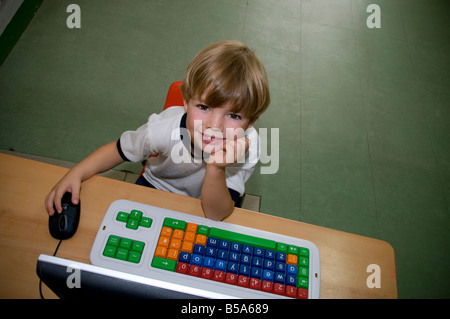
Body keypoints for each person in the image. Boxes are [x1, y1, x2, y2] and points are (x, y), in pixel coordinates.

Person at [45, 40, 270, 221]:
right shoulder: (165, 128)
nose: (215, 125)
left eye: (234, 115)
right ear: (186, 101)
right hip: (154, 186)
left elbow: (215, 214)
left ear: (250, 123)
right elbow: (118, 149)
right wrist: (76, 173)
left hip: (206, 203)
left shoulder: (248, 147)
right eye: (204, 107)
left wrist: (216, 167)